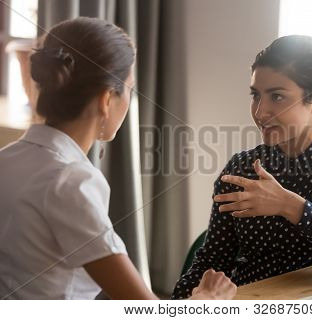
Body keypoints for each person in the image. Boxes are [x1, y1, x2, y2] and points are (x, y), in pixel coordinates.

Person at [0, 17, 236, 300]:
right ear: (106, 99)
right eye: (129, 88)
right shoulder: (72, 183)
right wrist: (208, 298)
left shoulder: (7, 159)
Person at [172, 35, 312, 299]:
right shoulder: (241, 169)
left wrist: (292, 206)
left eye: (277, 96)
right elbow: (212, 262)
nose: (260, 111)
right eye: (255, 95)